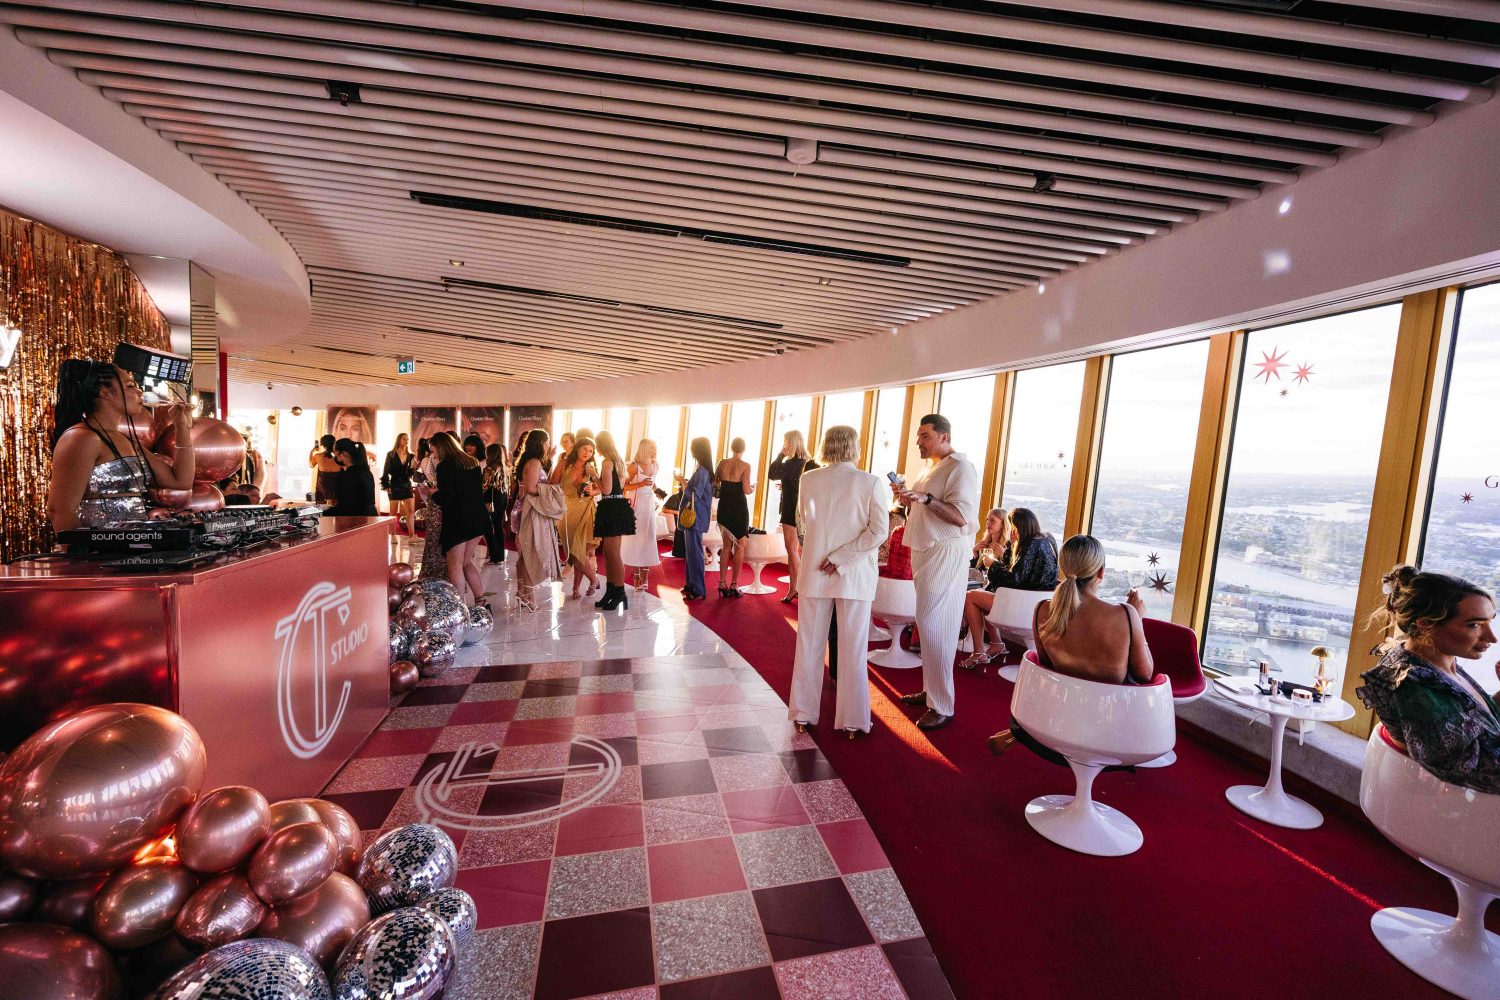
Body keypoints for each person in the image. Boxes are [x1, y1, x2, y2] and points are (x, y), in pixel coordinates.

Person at [1356, 565, 1500, 794]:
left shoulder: (1439, 665)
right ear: (1426, 625)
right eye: (1474, 625)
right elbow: (1481, 769)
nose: (1492, 638)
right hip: (1448, 808)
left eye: (1490, 622)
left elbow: (1480, 727)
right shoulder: (1414, 685)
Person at [788, 426, 888, 738]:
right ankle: (853, 721)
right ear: (854, 446)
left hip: (815, 570)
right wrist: (843, 556)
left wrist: (830, 553)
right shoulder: (870, 482)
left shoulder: (808, 479)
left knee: (808, 645)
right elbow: (879, 531)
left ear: (825, 446)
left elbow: (805, 520)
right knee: (853, 649)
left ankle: (802, 714)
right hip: (854, 575)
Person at [893, 414, 979, 731]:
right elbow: (925, 508)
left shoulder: (960, 468)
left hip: (944, 551)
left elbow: (960, 516)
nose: (919, 441)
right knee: (927, 623)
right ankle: (931, 690)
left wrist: (926, 499)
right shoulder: (932, 467)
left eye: (925, 436)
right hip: (926, 549)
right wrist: (908, 498)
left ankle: (942, 704)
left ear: (944, 436)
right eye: (918, 436)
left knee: (935, 625)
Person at [47, 360, 196, 531]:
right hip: (99, 545)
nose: (139, 392)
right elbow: (59, 510)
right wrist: (79, 548)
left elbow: (180, 481)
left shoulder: (126, 440)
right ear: (105, 393)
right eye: (130, 386)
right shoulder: (82, 438)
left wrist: (182, 427)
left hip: (133, 543)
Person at [959, 508, 1058, 669]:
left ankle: (979, 652)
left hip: (1021, 607)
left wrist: (993, 565)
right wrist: (1011, 547)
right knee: (985, 594)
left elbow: (1014, 579)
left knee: (971, 596)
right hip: (1042, 606)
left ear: (1018, 526)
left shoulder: (1030, 545)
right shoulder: (1048, 539)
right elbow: (1022, 572)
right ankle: (996, 644)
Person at [430, 431, 489, 607]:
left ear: (440, 447)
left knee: (455, 565)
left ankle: (459, 607)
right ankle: (481, 600)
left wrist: (433, 494)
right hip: (478, 517)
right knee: (466, 562)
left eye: (433, 451)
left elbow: (447, 498)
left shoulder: (445, 466)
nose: (434, 455)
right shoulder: (472, 462)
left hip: (458, 520)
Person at [513, 429, 565, 611]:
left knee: (524, 554)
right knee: (531, 553)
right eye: (547, 441)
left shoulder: (528, 460)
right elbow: (531, 488)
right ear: (541, 443)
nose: (548, 445)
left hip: (524, 507)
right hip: (531, 509)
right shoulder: (534, 462)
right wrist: (551, 490)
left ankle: (521, 592)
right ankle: (528, 595)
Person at [769, 430, 818, 603]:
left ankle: (794, 588)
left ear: (792, 443)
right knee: (803, 551)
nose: (785, 445)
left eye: (786, 442)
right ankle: (807, 588)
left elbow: (772, 473)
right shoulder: (811, 463)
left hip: (791, 510)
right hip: (809, 512)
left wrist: (780, 454)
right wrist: (788, 486)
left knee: (791, 550)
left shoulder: (789, 463)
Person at [591, 431, 637, 610]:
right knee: (609, 553)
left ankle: (619, 592)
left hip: (611, 507)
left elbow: (607, 490)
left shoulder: (607, 462)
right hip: (617, 506)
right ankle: (612, 591)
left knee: (613, 553)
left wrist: (594, 475)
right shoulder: (619, 462)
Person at [558, 435, 601, 599]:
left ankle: (588, 582)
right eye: (585, 449)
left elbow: (600, 489)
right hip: (567, 511)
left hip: (586, 510)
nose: (587, 453)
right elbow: (553, 483)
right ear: (577, 449)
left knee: (578, 551)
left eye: (590, 451)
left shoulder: (591, 468)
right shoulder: (564, 464)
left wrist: (592, 491)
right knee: (574, 551)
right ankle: (580, 586)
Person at [675, 437, 715, 601]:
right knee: (691, 552)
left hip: (695, 517)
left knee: (695, 553)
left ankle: (698, 588)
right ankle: (691, 584)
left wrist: (682, 482)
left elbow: (694, 495)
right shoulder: (703, 470)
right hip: (696, 516)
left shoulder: (702, 471)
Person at [715, 437, 754, 597]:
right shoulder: (745, 465)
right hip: (738, 508)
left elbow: (716, 483)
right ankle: (734, 584)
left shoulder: (722, 463)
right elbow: (746, 489)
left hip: (724, 506)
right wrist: (752, 488)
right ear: (743, 449)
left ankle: (722, 582)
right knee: (740, 545)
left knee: (726, 546)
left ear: (731, 447)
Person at [621, 438, 661, 590]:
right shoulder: (634, 466)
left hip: (649, 504)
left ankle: (645, 575)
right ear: (645, 449)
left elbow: (652, 483)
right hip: (636, 505)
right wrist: (640, 484)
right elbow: (623, 486)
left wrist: (658, 491)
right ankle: (636, 575)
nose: (655, 450)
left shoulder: (656, 465)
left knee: (648, 538)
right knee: (636, 540)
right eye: (652, 447)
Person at [415, 437, 446, 581]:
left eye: (434, 450)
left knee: (439, 539)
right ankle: (432, 574)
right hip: (436, 502)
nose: (433, 454)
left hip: (442, 503)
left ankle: (440, 574)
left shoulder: (448, 463)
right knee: (434, 539)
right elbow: (432, 480)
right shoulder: (429, 461)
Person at [328, 439, 377, 516]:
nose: (334, 457)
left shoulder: (348, 475)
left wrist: (322, 513)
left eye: (335, 454)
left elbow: (346, 506)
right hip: (370, 515)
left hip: (356, 518)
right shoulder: (366, 472)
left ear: (343, 454)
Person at [482, 442, 510, 565]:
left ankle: (494, 555)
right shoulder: (504, 468)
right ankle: (500, 556)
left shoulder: (489, 469)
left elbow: (484, 486)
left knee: (487, 528)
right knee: (498, 527)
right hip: (502, 498)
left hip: (490, 500)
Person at [381, 433, 416, 532]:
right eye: (404, 439)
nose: (406, 441)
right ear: (399, 440)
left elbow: (409, 473)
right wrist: (386, 485)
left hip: (406, 484)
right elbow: (385, 471)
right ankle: (392, 535)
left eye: (407, 439)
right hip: (394, 484)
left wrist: (413, 468)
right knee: (393, 512)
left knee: (410, 511)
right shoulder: (391, 454)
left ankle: (412, 535)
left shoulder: (410, 456)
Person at [309, 435, 341, 504]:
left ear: (322, 445)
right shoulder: (340, 456)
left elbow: (311, 465)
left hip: (323, 484)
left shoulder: (318, 456)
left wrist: (312, 451)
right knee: (337, 506)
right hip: (337, 483)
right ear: (334, 443)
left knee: (321, 507)